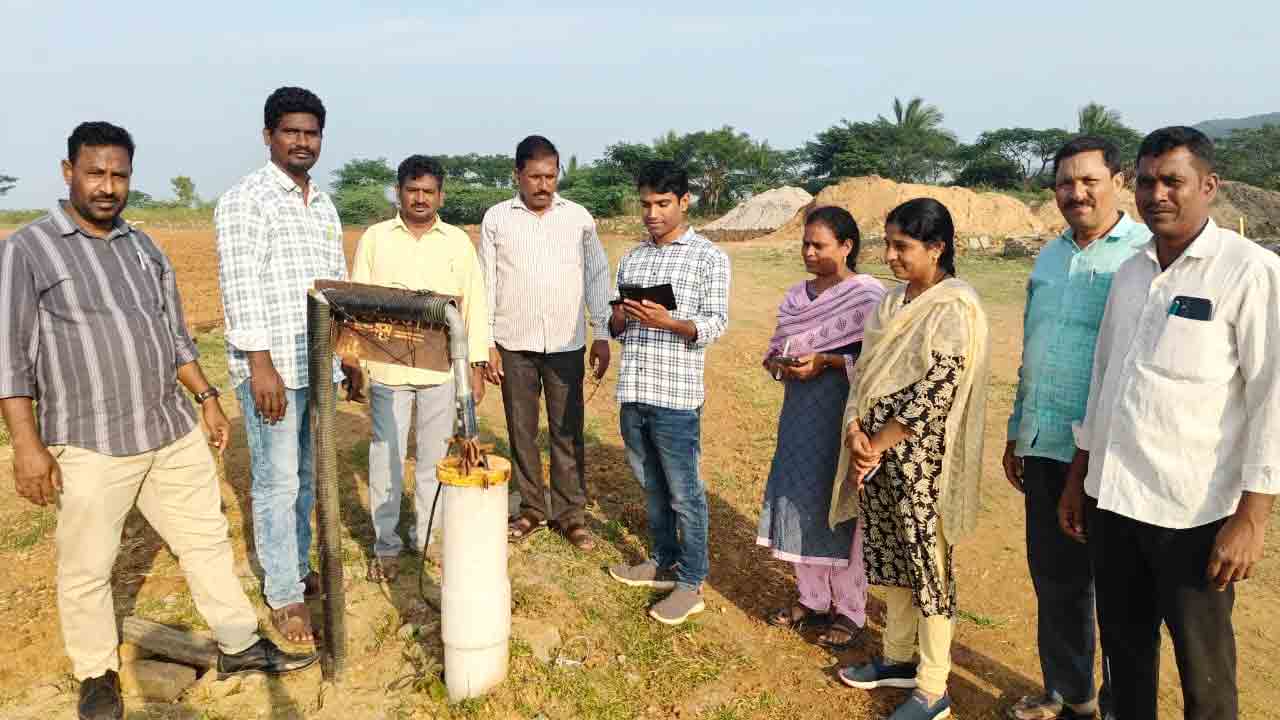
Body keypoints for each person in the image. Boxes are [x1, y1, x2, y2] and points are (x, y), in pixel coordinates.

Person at [0, 122, 315, 720]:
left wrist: (207, 397)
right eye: (95, 172)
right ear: (69, 173)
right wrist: (26, 444)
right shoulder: (29, 249)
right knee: (88, 565)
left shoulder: (143, 247)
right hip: (89, 440)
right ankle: (95, 672)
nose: (107, 186)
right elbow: (7, 356)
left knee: (205, 541)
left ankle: (239, 644)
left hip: (168, 431)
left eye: (118, 174)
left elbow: (174, 335)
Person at [1059, 126, 1280, 720]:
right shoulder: (1132, 272)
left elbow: (1271, 399)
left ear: (1208, 186)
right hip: (1115, 502)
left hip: (1194, 514)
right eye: (1149, 181)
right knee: (1126, 659)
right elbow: (1104, 380)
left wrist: (1252, 517)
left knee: (1204, 674)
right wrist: (1081, 474)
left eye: (1174, 181)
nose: (1159, 194)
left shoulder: (1248, 272)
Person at [1003, 136, 1150, 720]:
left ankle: (1120, 705)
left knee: (1117, 591)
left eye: (1089, 180)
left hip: (1111, 454)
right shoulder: (1051, 255)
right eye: (1065, 182)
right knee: (1056, 582)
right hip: (1045, 445)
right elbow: (1033, 348)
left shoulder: (1142, 257)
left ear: (1117, 181)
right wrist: (1019, 428)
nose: (1076, 192)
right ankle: (1070, 695)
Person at [835, 198, 990, 720]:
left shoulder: (953, 307)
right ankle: (897, 657)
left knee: (928, 566)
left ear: (937, 247)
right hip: (875, 457)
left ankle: (932, 685)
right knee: (890, 557)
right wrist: (856, 428)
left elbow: (938, 389)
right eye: (888, 244)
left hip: (921, 464)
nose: (891, 256)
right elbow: (865, 372)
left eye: (902, 246)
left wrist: (877, 444)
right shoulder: (891, 302)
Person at [215, 86, 349, 645]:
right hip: (273, 368)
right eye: (291, 131)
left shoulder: (322, 203)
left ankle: (296, 564)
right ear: (268, 135)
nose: (302, 142)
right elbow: (240, 288)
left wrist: (346, 356)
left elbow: (335, 285)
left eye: (311, 133)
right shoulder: (245, 200)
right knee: (275, 481)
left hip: (317, 364)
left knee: (307, 475)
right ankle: (284, 594)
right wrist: (260, 365)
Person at [348, 155, 490, 582]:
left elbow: (475, 306)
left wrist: (476, 366)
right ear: (399, 192)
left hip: (440, 373)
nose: (421, 199)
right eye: (413, 190)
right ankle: (386, 546)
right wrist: (353, 360)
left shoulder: (457, 242)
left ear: (440, 195)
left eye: (429, 191)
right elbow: (357, 299)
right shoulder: (375, 239)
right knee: (386, 458)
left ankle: (427, 539)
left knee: (432, 461)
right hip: (388, 372)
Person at [606, 161, 730, 625]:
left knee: (684, 493)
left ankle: (691, 581)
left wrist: (671, 322)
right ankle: (662, 560)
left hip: (676, 397)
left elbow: (716, 321)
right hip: (634, 388)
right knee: (651, 486)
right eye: (645, 204)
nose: (652, 213)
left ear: (684, 202)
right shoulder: (633, 258)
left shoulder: (708, 257)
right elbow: (618, 326)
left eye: (662, 204)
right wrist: (620, 317)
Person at [756, 206, 884, 648]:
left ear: (847, 247)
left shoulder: (868, 297)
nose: (809, 252)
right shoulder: (795, 297)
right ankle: (811, 598)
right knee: (800, 497)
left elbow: (879, 364)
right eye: (805, 244)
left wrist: (828, 361)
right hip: (799, 415)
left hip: (844, 418)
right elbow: (773, 350)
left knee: (841, 504)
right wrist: (781, 365)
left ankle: (850, 609)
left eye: (820, 245)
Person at [479, 135, 612, 551]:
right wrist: (487, 344)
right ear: (517, 174)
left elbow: (596, 277)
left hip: (566, 342)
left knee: (567, 430)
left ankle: (571, 514)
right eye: (535, 176)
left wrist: (602, 333)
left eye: (551, 176)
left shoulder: (579, 219)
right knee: (521, 429)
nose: (543, 185)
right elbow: (486, 282)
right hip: (513, 340)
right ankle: (533, 509)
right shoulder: (497, 219)